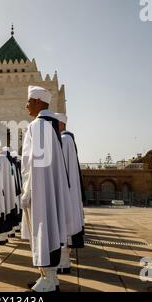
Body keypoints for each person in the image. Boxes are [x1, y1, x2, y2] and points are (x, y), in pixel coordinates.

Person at [21, 85, 72, 292]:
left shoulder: (39, 126)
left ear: (39, 102)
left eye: (29, 101)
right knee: (50, 229)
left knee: (44, 230)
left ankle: (49, 280)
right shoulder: (49, 126)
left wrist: (28, 191)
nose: (26, 106)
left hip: (41, 191)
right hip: (46, 189)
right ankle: (48, 277)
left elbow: (36, 164)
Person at [54, 113, 84, 274]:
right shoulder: (68, 139)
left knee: (64, 227)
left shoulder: (64, 140)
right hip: (70, 191)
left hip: (66, 190)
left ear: (60, 124)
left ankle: (63, 263)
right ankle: (64, 263)